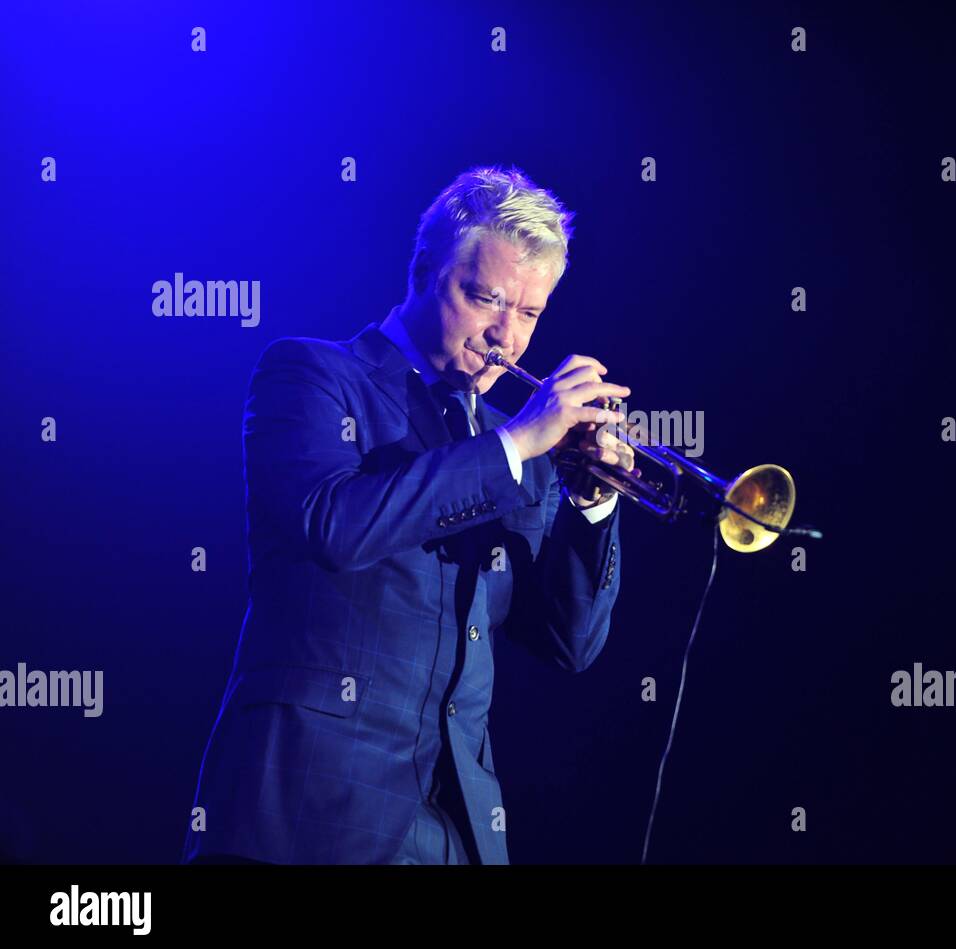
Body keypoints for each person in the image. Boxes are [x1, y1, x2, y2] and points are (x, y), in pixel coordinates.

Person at [183, 166, 634, 864]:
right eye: (484, 298)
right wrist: (514, 444)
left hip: (457, 830)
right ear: (423, 270)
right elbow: (334, 522)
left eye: (529, 313)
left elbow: (566, 642)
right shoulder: (312, 374)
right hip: (308, 816)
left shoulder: (517, 444)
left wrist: (591, 500)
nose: (506, 338)